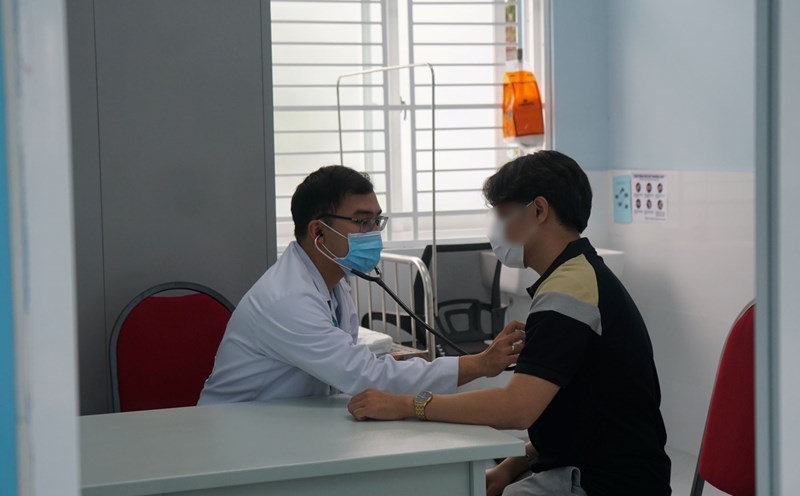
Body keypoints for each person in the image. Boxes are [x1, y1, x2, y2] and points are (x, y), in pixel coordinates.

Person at [346, 151, 672, 496]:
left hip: (608, 484)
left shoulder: (570, 289)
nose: (497, 229)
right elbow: (583, 413)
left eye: (502, 214)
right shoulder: (577, 275)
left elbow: (515, 408)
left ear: (539, 210)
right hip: (597, 467)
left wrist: (405, 404)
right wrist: (514, 465)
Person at [198, 165, 524, 405]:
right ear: (318, 232)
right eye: (361, 221)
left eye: (376, 221)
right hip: (238, 434)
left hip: (286, 424)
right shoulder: (288, 298)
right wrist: (478, 364)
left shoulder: (334, 282)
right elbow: (365, 375)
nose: (373, 232)